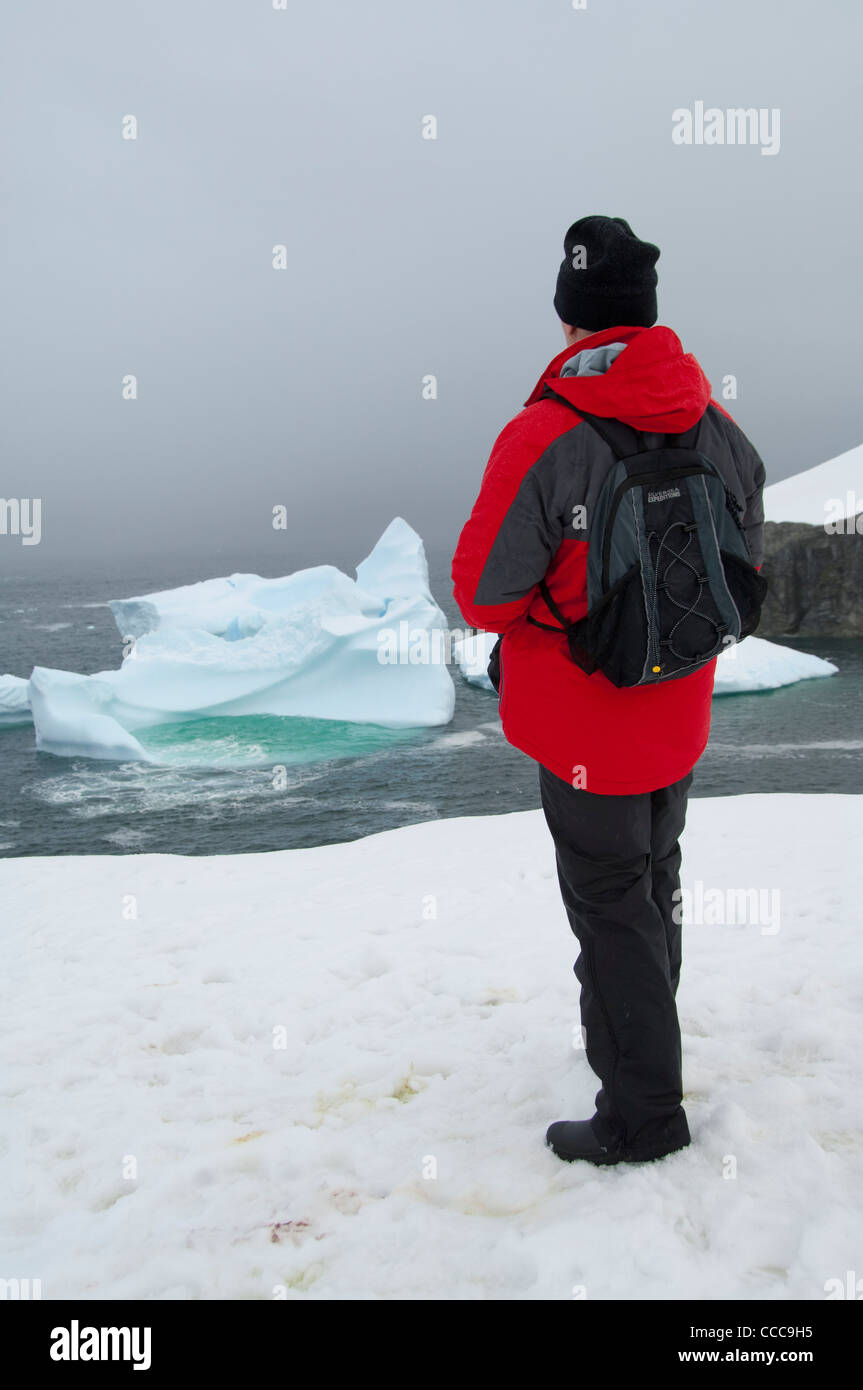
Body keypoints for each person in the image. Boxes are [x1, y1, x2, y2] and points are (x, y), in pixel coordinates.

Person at [452, 215, 766, 1166]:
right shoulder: (716, 425)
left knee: (610, 908)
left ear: (569, 324)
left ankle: (640, 1116)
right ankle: (642, 1052)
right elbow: (742, 564)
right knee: (651, 888)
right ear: (648, 316)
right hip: (675, 717)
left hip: (584, 730)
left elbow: (481, 590)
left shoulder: (545, 433)